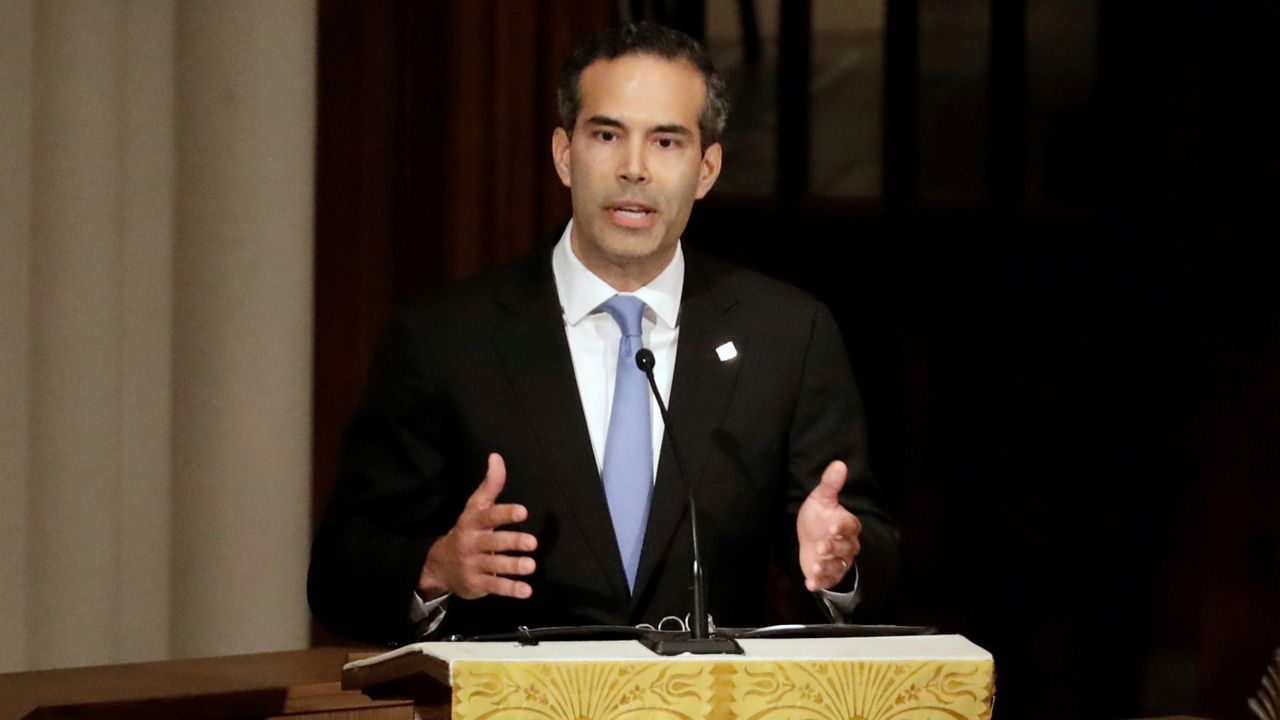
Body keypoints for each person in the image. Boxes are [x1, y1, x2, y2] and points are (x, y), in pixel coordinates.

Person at [307, 21, 899, 646]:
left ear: (707, 169)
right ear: (565, 155)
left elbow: (870, 549)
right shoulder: (446, 340)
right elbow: (339, 574)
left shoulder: (785, 334)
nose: (634, 169)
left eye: (667, 142)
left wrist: (841, 564)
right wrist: (436, 568)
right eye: (608, 135)